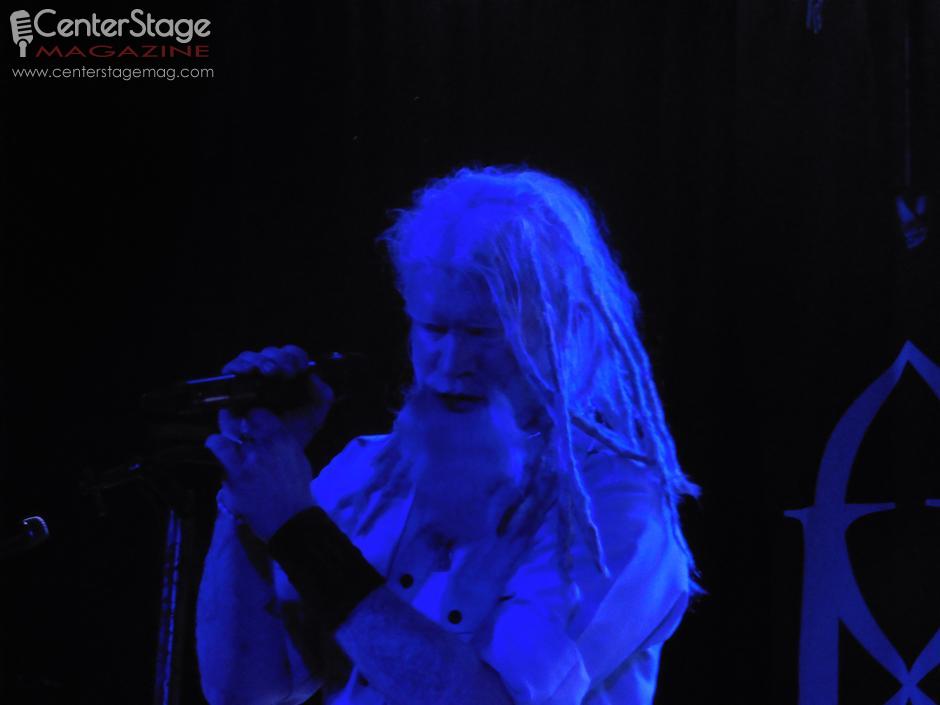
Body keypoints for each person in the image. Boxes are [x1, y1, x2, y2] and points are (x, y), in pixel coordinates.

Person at [195, 166, 699, 705]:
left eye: (483, 333)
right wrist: (249, 491)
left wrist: (298, 531)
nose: (453, 361)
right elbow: (243, 690)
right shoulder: (365, 473)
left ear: (563, 332)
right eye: (434, 329)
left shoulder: (612, 506)